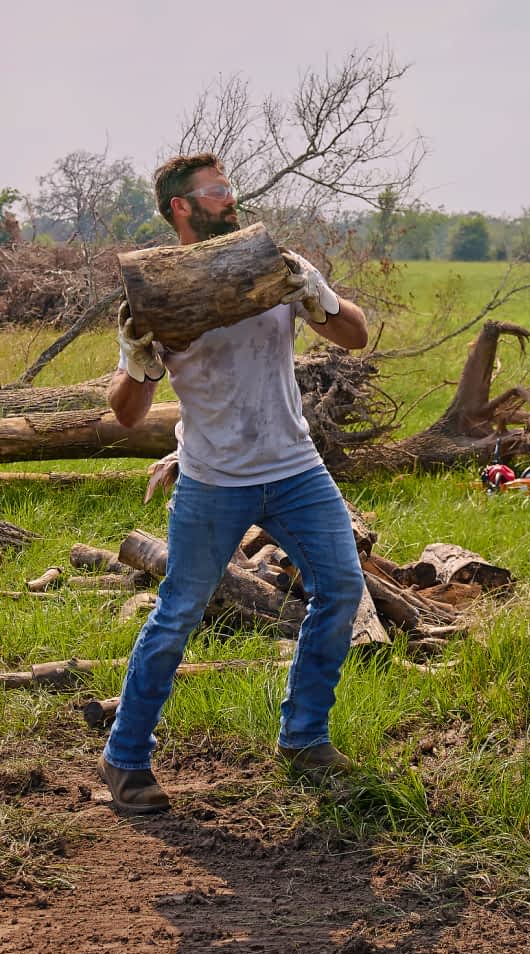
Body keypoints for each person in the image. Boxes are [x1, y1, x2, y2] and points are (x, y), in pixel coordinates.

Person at [98, 152, 368, 815]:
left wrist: (318, 295)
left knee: (341, 586)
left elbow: (355, 337)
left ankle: (304, 737)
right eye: (217, 192)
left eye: (228, 188)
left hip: (295, 469)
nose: (230, 198)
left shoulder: (271, 263)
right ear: (182, 208)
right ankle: (125, 757)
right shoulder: (156, 289)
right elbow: (127, 415)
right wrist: (138, 361)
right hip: (214, 482)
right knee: (179, 614)